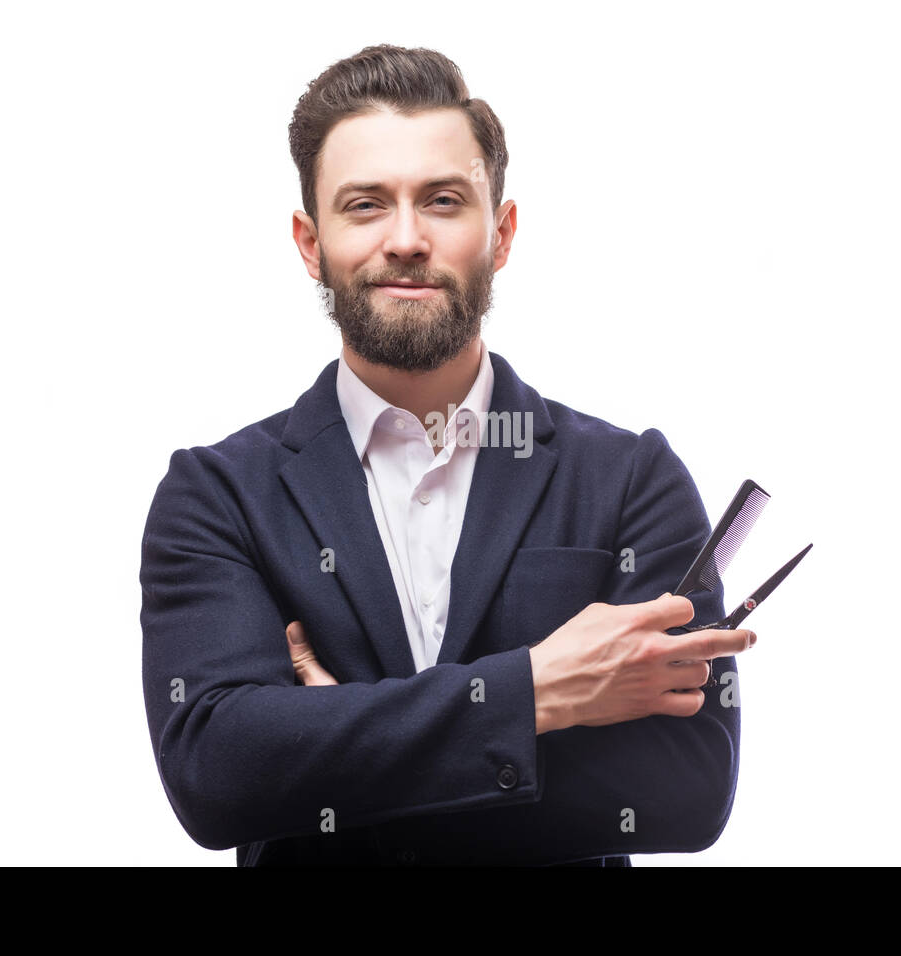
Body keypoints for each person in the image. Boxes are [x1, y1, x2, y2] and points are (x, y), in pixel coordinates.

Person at [139, 43, 755, 867]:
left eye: (442, 200)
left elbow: (687, 788)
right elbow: (219, 774)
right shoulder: (217, 495)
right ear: (309, 241)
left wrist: (345, 745)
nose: (406, 239)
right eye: (364, 205)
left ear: (499, 233)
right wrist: (538, 691)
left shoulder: (630, 481)